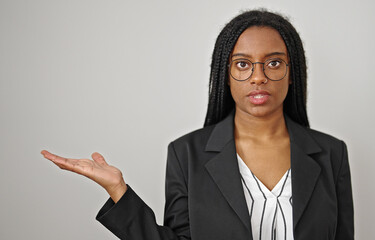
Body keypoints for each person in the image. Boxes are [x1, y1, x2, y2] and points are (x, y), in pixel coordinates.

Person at [41, 9, 354, 240]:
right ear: (225, 74)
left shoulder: (332, 154)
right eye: (243, 64)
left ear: (292, 70)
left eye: (274, 62)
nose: (259, 77)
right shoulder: (186, 154)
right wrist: (120, 192)